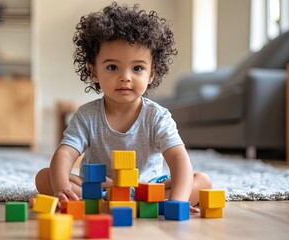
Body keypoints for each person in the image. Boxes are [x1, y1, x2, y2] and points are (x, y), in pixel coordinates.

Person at [35, 2, 212, 212]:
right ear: (94, 72)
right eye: (112, 67)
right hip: (99, 189)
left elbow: (179, 158)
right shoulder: (87, 115)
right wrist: (62, 189)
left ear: (152, 73)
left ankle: (140, 204)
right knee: (45, 177)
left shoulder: (157, 116)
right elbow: (65, 154)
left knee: (202, 181)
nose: (125, 77)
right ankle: (105, 202)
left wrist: (179, 201)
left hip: (148, 188)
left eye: (137, 68)